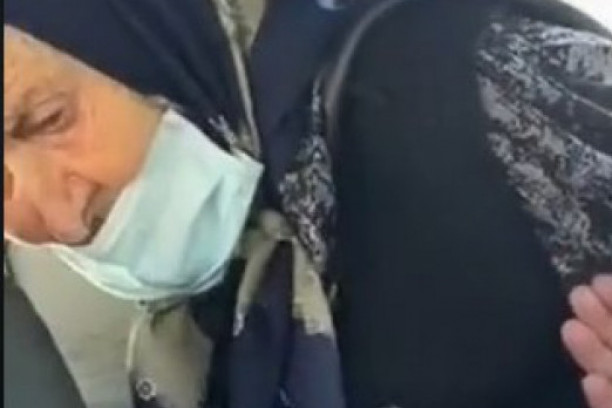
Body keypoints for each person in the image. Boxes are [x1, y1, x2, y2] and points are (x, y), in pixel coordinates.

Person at [3, 1, 612, 408]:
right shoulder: (185, 335)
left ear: (145, 34)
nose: (62, 220)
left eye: (50, 118)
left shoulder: (477, 81)